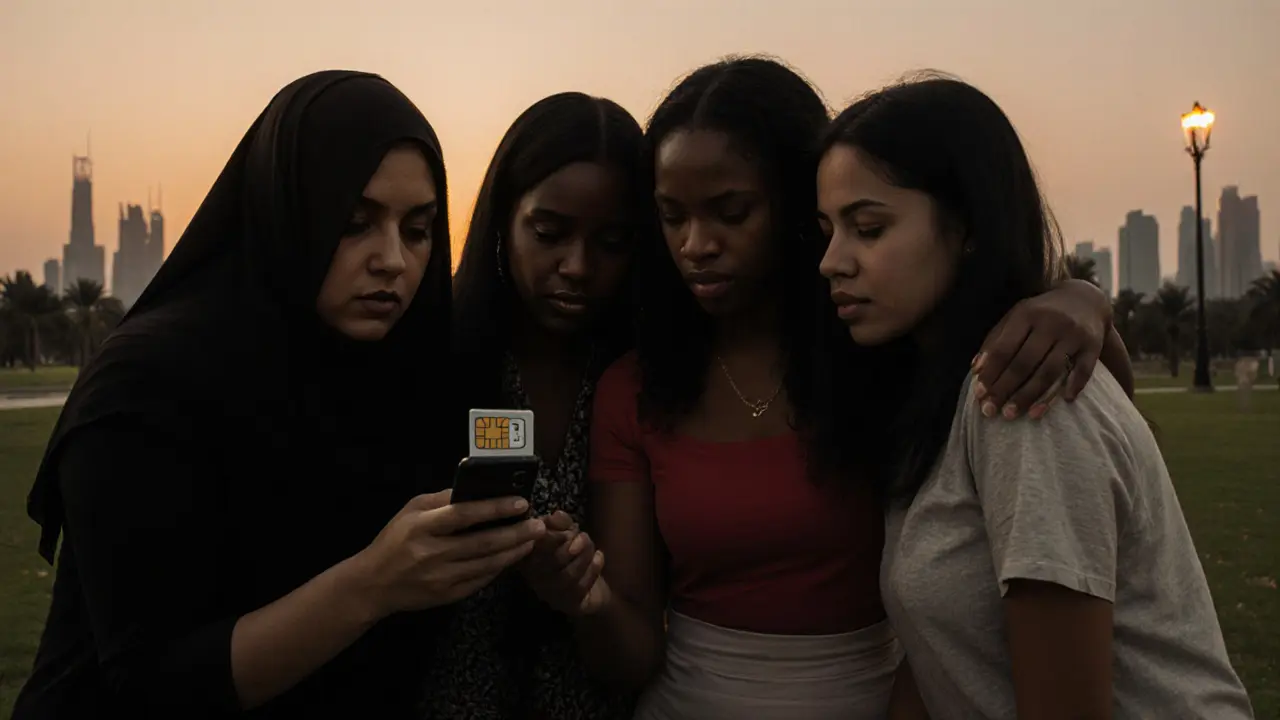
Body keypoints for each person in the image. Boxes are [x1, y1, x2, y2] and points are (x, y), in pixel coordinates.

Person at [579, 57, 1136, 720]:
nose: (697, 244)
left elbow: (1100, 431)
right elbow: (632, 638)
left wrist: (1082, 302)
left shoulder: (884, 346)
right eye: (672, 216)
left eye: (731, 212)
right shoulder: (642, 386)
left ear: (797, 203)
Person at [13, 71, 546, 719]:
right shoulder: (148, 386)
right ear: (285, 212)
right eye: (354, 222)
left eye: (418, 229)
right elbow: (153, 683)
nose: (394, 261)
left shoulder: (403, 378)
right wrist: (372, 584)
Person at [816, 74, 1255, 719]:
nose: (833, 260)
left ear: (966, 226)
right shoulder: (939, 396)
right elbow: (942, 659)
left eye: (868, 228)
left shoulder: (1025, 396)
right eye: (827, 229)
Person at [427, 92, 646, 719]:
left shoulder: (636, 385)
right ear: (502, 219)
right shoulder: (433, 358)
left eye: (611, 242)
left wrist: (584, 593)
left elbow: (637, 649)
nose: (577, 267)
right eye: (549, 233)